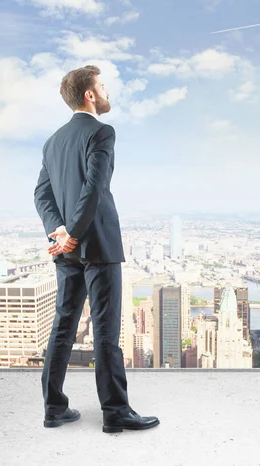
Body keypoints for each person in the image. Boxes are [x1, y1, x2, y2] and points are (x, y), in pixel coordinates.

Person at [34, 65, 159, 433]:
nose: (107, 92)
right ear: (90, 94)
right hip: (98, 244)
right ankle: (115, 412)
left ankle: (54, 408)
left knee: (62, 328)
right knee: (105, 331)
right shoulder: (102, 132)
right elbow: (94, 187)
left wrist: (58, 232)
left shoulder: (53, 141)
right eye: (103, 86)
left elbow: (41, 193)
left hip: (66, 249)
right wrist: (73, 232)